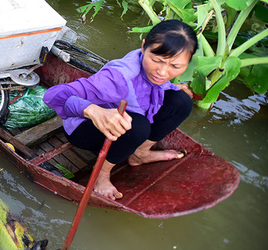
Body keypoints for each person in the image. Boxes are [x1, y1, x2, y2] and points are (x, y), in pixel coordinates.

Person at [43, 20, 198, 200]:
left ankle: (140, 154)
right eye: (156, 60)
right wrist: (93, 111)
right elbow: (53, 95)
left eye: (175, 67)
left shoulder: (158, 74)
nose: (162, 72)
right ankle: (101, 175)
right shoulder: (117, 77)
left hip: (125, 127)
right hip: (85, 130)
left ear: (188, 62)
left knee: (181, 101)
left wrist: (173, 87)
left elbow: (158, 85)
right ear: (143, 47)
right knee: (138, 126)